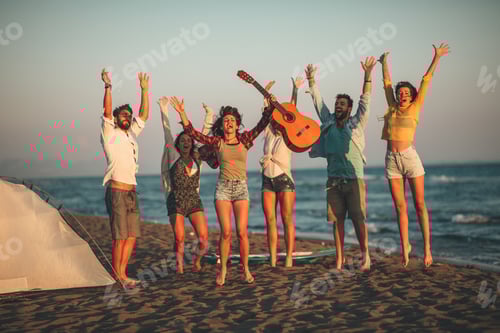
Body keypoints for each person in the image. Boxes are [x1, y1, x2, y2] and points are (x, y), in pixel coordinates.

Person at [170, 96, 273, 286]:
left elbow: (262, 123)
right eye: (226, 120)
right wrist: (182, 112)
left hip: (241, 188)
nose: (229, 122)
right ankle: (223, 270)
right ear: (223, 124)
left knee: (242, 232)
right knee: (226, 233)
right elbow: (194, 134)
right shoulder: (217, 142)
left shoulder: (245, 139)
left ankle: (245, 269)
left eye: (233, 120)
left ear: (237, 124)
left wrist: (267, 102)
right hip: (223, 189)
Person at [378, 43, 450, 268]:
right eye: (400, 93)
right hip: (391, 160)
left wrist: (436, 57)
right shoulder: (392, 107)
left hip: (410, 158)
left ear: (412, 96)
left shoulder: (416, 106)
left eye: (406, 93)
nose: (402, 95)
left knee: (419, 205)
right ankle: (405, 251)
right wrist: (384, 63)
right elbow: (387, 84)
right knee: (400, 207)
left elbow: (426, 80)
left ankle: (427, 249)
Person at [306, 57, 376, 271]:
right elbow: (318, 103)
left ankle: (365, 256)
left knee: (357, 218)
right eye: (337, 104)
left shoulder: (355, 124)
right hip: (333, 180)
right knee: (337, 221)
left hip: (354, 179)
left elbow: (366, 102)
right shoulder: (327, 123)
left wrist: (367, 76)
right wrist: (311, 80)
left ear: (349, 108)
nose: (338, 107)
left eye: (342, 104)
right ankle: (340, 259)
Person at [100, 69, 149, 287]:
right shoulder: (110, 133)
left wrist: (144, 90)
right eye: (124, 115)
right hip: (117, 191)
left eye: (129, 115)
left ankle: (123, 273)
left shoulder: (131, 134)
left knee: (131, 236)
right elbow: (108, 111)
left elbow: (144, 115)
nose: (127, 117)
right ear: (117, 118)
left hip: (131, 191)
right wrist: (108, 87)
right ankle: (116, 275)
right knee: (119, 236)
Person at [159, 97, 214, 274]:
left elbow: (204, 136)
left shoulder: (197, 158)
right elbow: (167, 132)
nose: (186, 142)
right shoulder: (173, 156)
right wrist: (164, 110)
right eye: (182, 140)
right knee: (180, 238)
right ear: (178, 143)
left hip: (193, 199)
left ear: (191, 144)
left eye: (188, 141)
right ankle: (180, 267)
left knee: (204, 239)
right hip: (176, 199)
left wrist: (209, 117)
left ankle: (197, 261)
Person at [260, 78, 303, 267]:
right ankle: (272, 258)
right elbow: (266, 114)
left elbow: (292, 111)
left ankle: (288, 257)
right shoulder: (269, 132)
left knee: (286, 219)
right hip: (267, 180)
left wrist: (295, 90)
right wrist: (266, 96)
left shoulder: (290, 134)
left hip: (284, 179)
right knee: (270, 220)